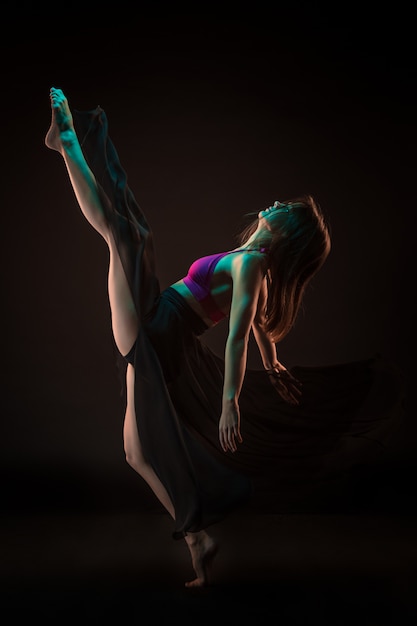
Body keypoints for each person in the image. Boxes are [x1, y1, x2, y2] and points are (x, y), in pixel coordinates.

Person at [45, 87, 404, 587]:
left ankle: (68, 140)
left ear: (283, 231)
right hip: (160, 318)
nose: (274, 202)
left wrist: (231, 400)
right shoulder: (254, 267)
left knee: (124, 233)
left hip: (160, 325)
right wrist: (273, 361)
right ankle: (198, 540)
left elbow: (238, 332)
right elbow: (256, 324)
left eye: (284, 208)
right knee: (134, 451)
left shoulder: (255, 265)